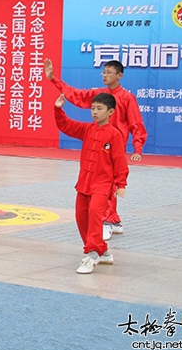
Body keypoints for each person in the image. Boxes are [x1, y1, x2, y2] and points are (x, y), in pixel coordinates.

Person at [45, 58, 146, 240]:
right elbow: (76, 95)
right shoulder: (99, 94)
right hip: (97, 143)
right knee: (102, 183)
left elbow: (135, 123)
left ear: (119, 75)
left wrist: (138, 147)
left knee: (108, 183)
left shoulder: (127, 98)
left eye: (109, 72)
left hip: (115, 144)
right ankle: (112, 220)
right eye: (103, 72)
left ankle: (105, 222)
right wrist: (54, 79)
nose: (105, 75)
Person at [53, 93, 128, 274]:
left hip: (102, 185)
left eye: (99, 109)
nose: (94, 112)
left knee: (95, 214)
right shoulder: (87, 129)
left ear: (110, 112)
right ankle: (104, 252)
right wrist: (58, 109)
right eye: (93, 108)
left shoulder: (114, 134)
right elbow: (67, 125)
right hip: (84, 183)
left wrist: (120, 183)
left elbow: (119, 160)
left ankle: (92, 254)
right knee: (81, 217)